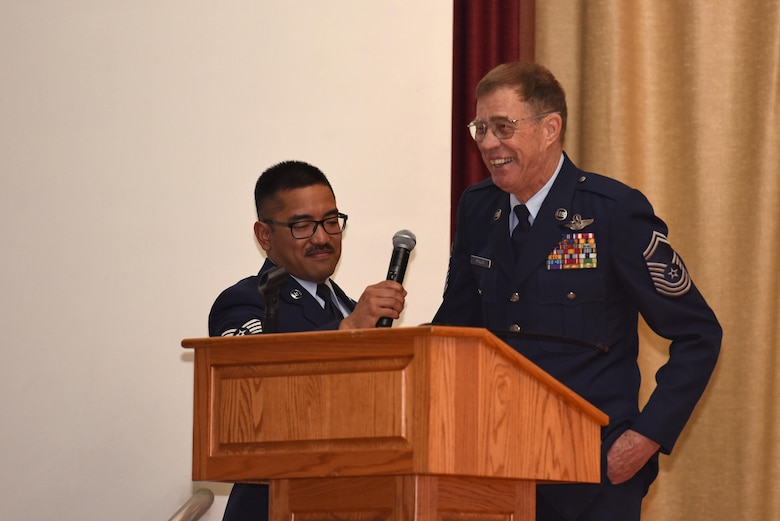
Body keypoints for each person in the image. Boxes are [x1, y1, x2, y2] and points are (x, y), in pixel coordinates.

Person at [432, 61, 721, 521]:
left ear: (550, 128)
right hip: (495, 468)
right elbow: (456, 326)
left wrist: (645, 438)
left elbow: (698, 334)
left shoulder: (613, 211)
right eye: (481, 128)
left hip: (592, 476)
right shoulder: (477, 207)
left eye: (503, 127)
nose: (488, 143)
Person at [209, 160, 407, 521]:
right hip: (276, 507)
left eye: (331, 222)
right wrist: (347, 330)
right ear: (264, 235)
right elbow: (253, 378)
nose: (322, 238)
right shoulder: (247, 301)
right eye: (303, 226)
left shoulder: (342, 305)